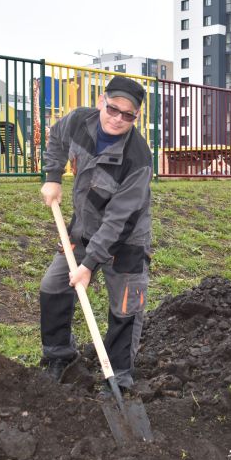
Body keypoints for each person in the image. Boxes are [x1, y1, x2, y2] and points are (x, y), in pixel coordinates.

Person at [38, 75, 152, 391]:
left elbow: (117, 222)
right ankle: (59, 355)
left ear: (136, 117)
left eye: (127, 115)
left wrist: (88, 266)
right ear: (102, 101)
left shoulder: (137, 159)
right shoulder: (78, 121)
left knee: (126, 306)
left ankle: (119, 377)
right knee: (53, 286)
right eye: (113, 109)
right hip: (83, 228)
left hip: (126, 239)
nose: (117, 119)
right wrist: (53, 177)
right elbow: (56, 139)